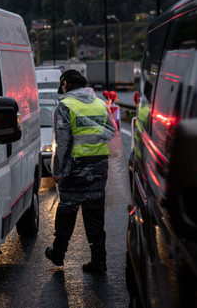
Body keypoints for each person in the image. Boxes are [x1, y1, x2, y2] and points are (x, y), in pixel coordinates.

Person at [45, 69, 116, 274]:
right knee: (94, 216)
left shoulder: (65, 106)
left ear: (66, 84)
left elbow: (63, 142)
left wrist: (58, 171)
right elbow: (111, 133)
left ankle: (58, 253)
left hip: (74, 170)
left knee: (67, 212)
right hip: (98, 168)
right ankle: (99, 261)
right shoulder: (100, 105)